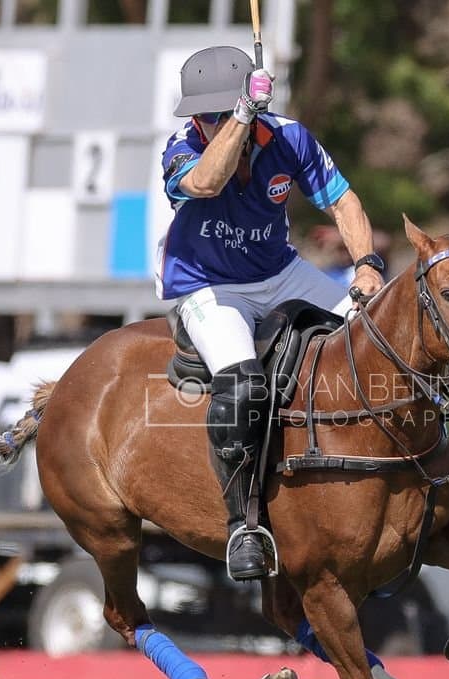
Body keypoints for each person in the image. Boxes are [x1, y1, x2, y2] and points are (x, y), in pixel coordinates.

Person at [158, 46, 385, 581]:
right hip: (209, 284)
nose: (206, 123)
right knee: (244, 384)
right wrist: (237, 116)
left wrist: (367, 265)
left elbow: (343, 201)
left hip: (278, 270)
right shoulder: (182, 145)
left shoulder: (290, 138)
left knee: (378, 335)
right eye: (203, 114)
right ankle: (244, 524)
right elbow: (206, 183)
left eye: (218, 112)